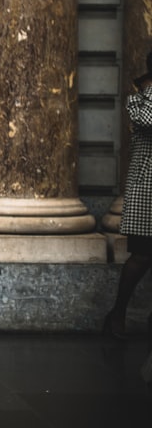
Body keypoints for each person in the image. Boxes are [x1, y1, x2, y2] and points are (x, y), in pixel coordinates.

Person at [105, 50, 152, 339]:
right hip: (148, 191)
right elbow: (147, 118)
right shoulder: (139, 100)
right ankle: (118, 313)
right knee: (143, 255)